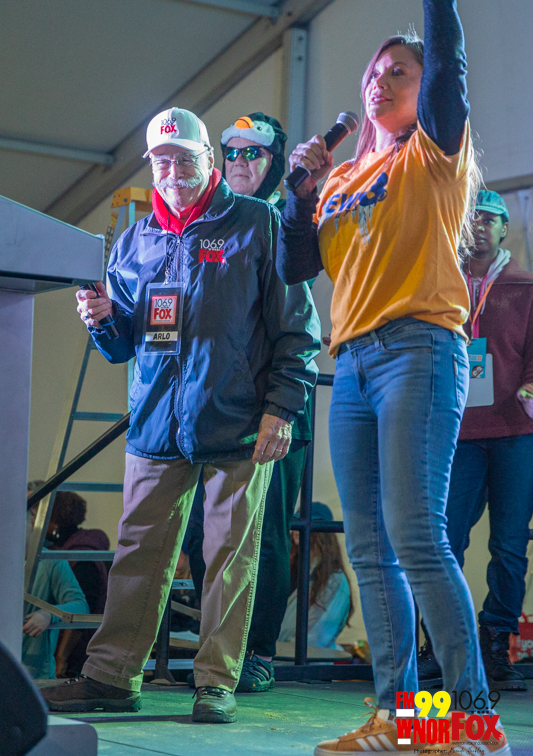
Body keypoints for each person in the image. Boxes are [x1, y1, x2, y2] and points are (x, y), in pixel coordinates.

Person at [277, 0, 511, 756]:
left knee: (416, 537)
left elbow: (447, 58)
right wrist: (298, 192)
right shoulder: (343, 177)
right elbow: (295, 266)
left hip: (418, 347)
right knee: (370, 549)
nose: (381, 81)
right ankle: (403, 719)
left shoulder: (434, 152)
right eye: (374, 72)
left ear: (424, 85)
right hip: (351, 365)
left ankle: (473, 722)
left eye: (399, 71)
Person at [41, 107, 320, 724]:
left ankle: (216, 682)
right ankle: (112, 677)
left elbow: (299, 329)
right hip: (156, 424)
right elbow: (123, 345)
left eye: (184, 159)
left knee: (230, 557)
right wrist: (102, 320)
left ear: (208, 160)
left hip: (237, 421)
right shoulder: (137, 240)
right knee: (137, 554)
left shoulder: (258, 223)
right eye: (161, 161)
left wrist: (281, 409)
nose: (172, 171)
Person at [186, 112, 316, 692]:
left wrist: (280, 409)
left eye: (253, 153)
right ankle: (214, 649)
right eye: (231, 151)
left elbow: (297, 328)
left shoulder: (283, 221)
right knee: (200, 533)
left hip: (270, 409)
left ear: (275, 161)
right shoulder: (210, 220)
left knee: (263, 533)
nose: (239, 162)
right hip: (212, 412)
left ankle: (256, 650)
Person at [419, 190, 533, 692]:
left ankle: (496, 644)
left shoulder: (524, 286)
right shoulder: (439, 280)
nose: (480, 226)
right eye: (473, 218)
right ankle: (440, 643)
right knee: (444, 540)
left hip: (515, 431)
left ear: (505, 228)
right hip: (456, 432)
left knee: (509, 545)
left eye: (490, 219)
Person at [47, 491, 110, 677]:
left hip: (78, 656)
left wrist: (61, 658)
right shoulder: (69, 550)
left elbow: (82, 614)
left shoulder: (81, 557)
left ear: (54, 520)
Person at [23, 504, 89, 680]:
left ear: (32, 522)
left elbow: (81, 607)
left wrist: (49, 614)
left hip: (35, 678)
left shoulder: (51, 562)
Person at [278, 502, 353, 650]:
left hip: (298, 661)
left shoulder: (334, 581)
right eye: (297, 521)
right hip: (278, 658)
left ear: (322, 532)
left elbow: (314, 639)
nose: (297, 529)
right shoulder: (291, 568)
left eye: (305, 522)